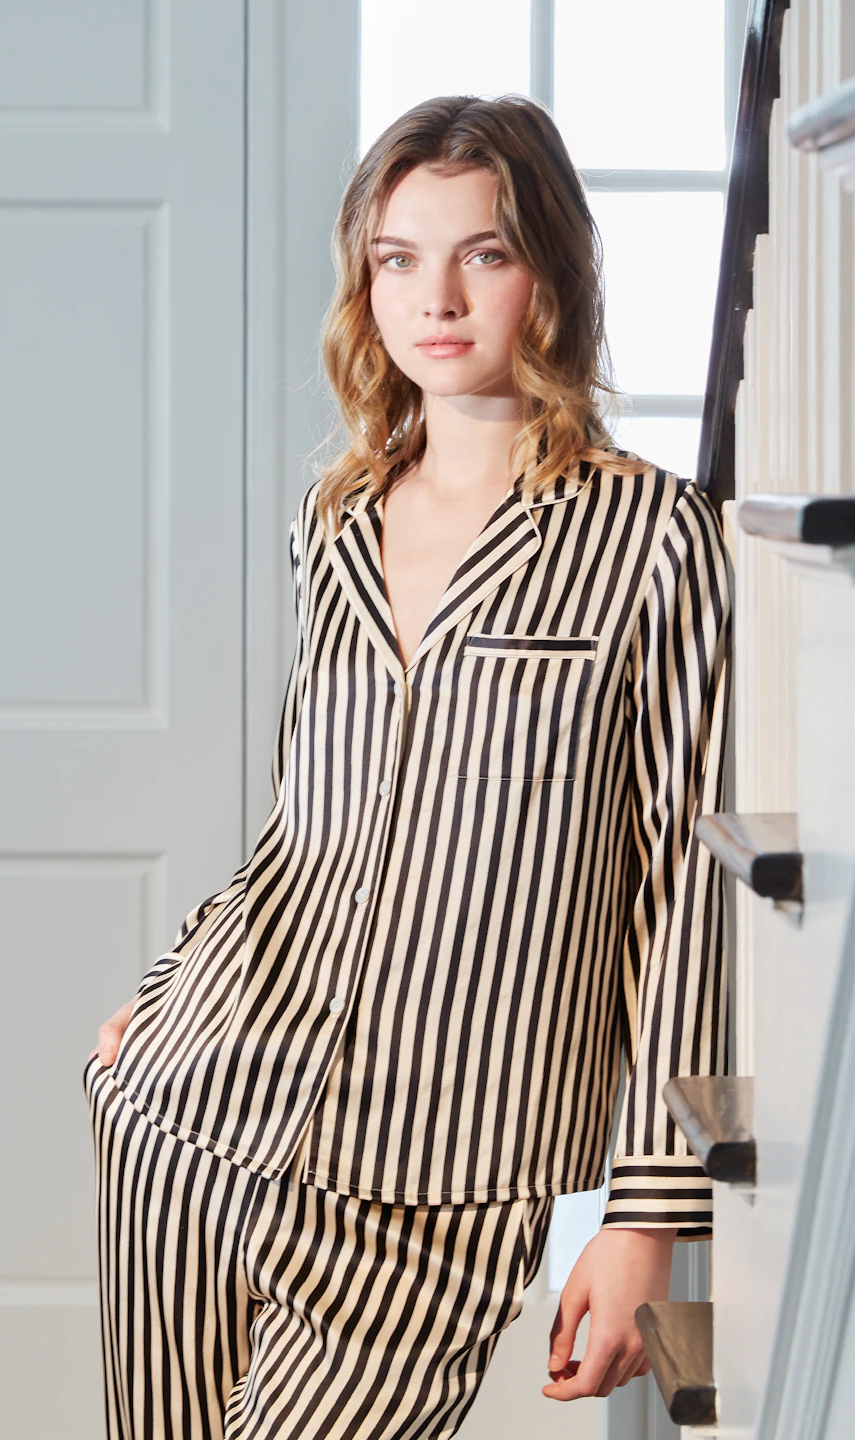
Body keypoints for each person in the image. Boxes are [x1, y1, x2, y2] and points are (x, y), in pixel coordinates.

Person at [83, 93, 731, 1440]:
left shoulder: (656, 540)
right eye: (397, 257)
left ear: (549, 271)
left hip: (447, 1168)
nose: (436, 295)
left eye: (483, 253)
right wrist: (162, 996)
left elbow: (683, 885)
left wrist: (647, 1214)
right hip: (208, 1101)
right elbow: (303, 817)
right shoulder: (344, 519)